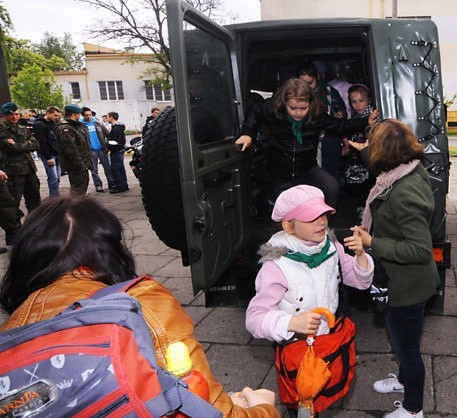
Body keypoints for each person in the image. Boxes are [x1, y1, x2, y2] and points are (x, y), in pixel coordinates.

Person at [0, 195, 280, 418]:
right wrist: (263, 408)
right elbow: (205, 403)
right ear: (110, 251)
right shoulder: (139, 303)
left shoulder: (14, 326)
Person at [245, 185, 373, 416]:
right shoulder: (277, 266)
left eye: (323, 214)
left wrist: (361, 257)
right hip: (298, 351)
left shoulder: (331, 247)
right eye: (311, 217)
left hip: (328, 343)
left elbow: (360, 282)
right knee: (303, 404)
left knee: (327, 394)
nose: (321, 222)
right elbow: (254, 319)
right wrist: (290, 323)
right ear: (288, 225)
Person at [352, 119, 439, 418]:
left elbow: (418, 249)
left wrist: (371, 241)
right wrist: (364, 150)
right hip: (400, 280)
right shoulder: (405, 169)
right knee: (400, 338)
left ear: (384, 152)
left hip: (409, 286)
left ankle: (414, 410)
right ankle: (403, 380)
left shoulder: (403, 191)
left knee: (407, 349)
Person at [235, 78, 378, 208]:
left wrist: (366, 121)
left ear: (310, 103)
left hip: (307, 168)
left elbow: (340, 126)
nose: (298, 113)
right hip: (279, 171)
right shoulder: (273, 109)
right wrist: (247, 133)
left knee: (331, 188)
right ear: (284, 103)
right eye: (293, 108)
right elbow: (254, 113)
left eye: (303, 108)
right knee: (285, 208)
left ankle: (322, 226)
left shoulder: (316, 116)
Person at [0, 101, 41, 216]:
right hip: (14, 172)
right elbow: (10, 148)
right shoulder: (2, 130)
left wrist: (17, 145)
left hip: (29, 169)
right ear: (4, 115)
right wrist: (25, 145)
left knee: (35, 201)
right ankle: (16, 230)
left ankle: (34, 225)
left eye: (17, 114)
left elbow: (36, 144)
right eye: (11, 114)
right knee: (13, 203)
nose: (14, 117)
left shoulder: (23, 128)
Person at [342, 84, 375, 203]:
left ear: (369, 100)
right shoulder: (354, 117)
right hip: (355, 157)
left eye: (361, 100)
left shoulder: (372, 116)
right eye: (353, 101)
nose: (357, 104)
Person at [56, 104, 92, 196]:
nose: (80, 116)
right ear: (74, 114)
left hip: (83, 164)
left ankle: (81, 206)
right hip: (76, 166)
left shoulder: (78, 126)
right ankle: (76, 208)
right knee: (77, 190)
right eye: (79, 114)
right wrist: (80, 164)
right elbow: (70, 150)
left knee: (83, 188)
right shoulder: (65, 128)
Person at [82, 107, 114, 193]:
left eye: (90, 115)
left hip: (102, 149)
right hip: (91, 150)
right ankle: (98, 185)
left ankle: (111, 182)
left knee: (107, 167)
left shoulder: (97, 122)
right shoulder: (81, 125)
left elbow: (108, 134)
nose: (89, 117)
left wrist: (107, 145)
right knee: (94, 169)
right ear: (83, 116)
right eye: (86, 115)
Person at [33, 106, 62, 196]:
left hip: (56, 152)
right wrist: (48, 157)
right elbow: (41, 142)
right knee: (53, 177)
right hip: (49, 154)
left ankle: (55, 195)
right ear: (48, 113)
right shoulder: (39, 124)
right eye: (55, 115)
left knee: (57, 177)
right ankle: (54, 197)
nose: (56, 117)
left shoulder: (54, 123)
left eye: (57, 116)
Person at [107, 112, 129, 194]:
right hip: (120, 150)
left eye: (108, 117)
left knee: (115, 169)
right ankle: (124, 185)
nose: (107, 119)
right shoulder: (119, 127)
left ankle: (119, 187)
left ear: (111, 117)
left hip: (116, 151)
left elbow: (115, 141)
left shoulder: (116, 129)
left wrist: (109, 146)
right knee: (121, 168)